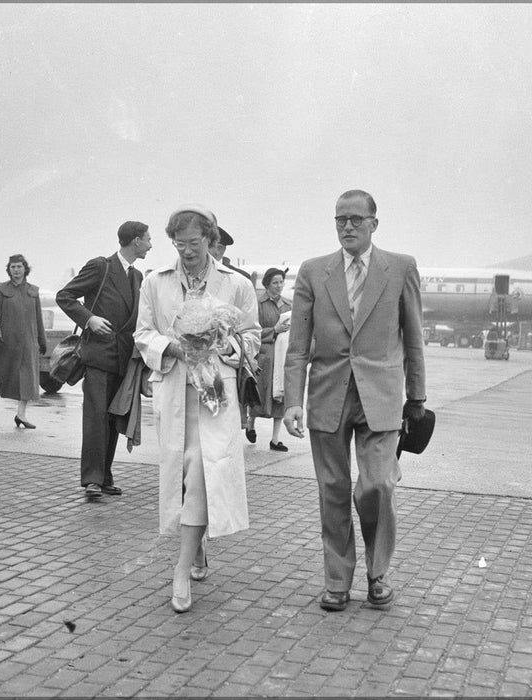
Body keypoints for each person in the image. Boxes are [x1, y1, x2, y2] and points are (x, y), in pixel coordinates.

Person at [283, 189, 426, 612]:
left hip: (380, 398)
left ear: (374, 224)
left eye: (356, 220)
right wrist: (293, 400)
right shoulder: (313, 272)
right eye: (340, 220)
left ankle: (378, 574)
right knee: (332, 488)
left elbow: (414, 339)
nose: (347, 227)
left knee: (378, 484)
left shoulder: (400, 269)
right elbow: (297, 345)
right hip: (328, 394)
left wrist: (416, 397)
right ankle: (337, 581)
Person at [134, 205, 260, 613]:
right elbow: (142, 333)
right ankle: (198, 545)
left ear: (211, 240)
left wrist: (228, 346)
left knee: (205, 470)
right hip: (175, 391)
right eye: (179, 243)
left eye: (194, 243)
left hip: (216, 396)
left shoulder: (236, 285)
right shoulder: (155, 282)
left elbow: (252, 338)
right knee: (186, 471)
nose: (186, 251)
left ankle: (180, 567)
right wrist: (173, 346)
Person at [56, 221, 152, 500]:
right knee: (96, 418)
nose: (150, 244)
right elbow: (66, 296)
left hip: (123, 358)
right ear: (135, 241)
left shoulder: (136, 277)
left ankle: (105, 475)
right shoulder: (101, 266)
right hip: (99, 355)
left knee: (112, 418)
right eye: (148, 239)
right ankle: (92, 480)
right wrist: (89, 319)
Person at [0, 254, 47, 428]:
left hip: (27, 343)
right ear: (8, 270)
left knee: (27, 379)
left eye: (19, 267)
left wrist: (42, 340)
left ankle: (21, 414)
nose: (16, 270)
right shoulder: (1, 290)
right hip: (5, 342)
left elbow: (38, 318)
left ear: (25, 269)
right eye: (13, 267)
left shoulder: (33, 291)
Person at [246, 267, 292, 450]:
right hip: (264, 355)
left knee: (280, 396)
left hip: (281, 357)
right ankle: (251, 423)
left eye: (281, 282)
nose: (279, 286)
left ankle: (275, 439)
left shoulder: (288, 306)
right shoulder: (258, 304)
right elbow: (253, 330)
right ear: (267, 284)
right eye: (275, 282)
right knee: (261, 393)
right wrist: (274, 330)